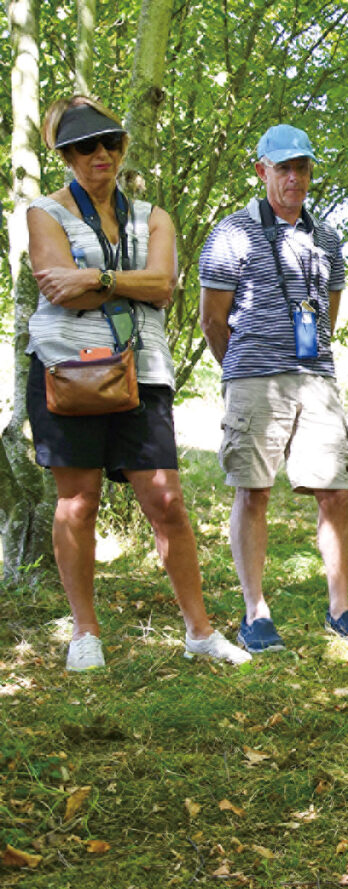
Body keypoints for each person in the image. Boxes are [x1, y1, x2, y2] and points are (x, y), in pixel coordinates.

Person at [24, 95, 249, 671]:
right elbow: (55, 289)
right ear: (66, 156)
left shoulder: (154, 216)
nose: (100, 154)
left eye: (109, 143)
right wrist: (129, 281)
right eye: (83, 147)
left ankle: (199, 632)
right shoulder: (43, 213)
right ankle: (84, 634)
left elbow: (164, 285)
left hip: (142, 371)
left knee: (166, 500)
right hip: (65, 369)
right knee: (78, 502)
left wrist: (94, 278)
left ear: (122, 149)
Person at [199, 124, 348, 653]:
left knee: (336, 493)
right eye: (284, 168)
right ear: (262, 171)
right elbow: (213, 321)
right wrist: (241, 370)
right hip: (255, 378)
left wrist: (314, 362)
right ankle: (255, 613)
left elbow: (328, 311)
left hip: (316, 378)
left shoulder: (327, 237)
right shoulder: (232, 233)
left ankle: (340, 609)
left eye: (302, 167)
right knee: (253, 490)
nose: (294, 178)